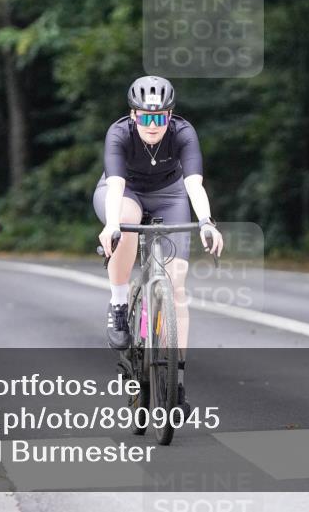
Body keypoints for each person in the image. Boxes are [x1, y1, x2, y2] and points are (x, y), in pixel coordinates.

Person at [94, 75, 224, 407]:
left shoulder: (183, 133)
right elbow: (117, 185)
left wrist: (207, 221)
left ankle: (176, 381)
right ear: (133, 115)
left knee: (176, 282)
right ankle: (120, 303)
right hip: (125, 193)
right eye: (146, 117)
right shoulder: (119, 133)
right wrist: (111, 225)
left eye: (161, 117)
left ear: (171, 115)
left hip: (171, 195)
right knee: (126, 222)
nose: (153, 125)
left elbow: (194, 184)